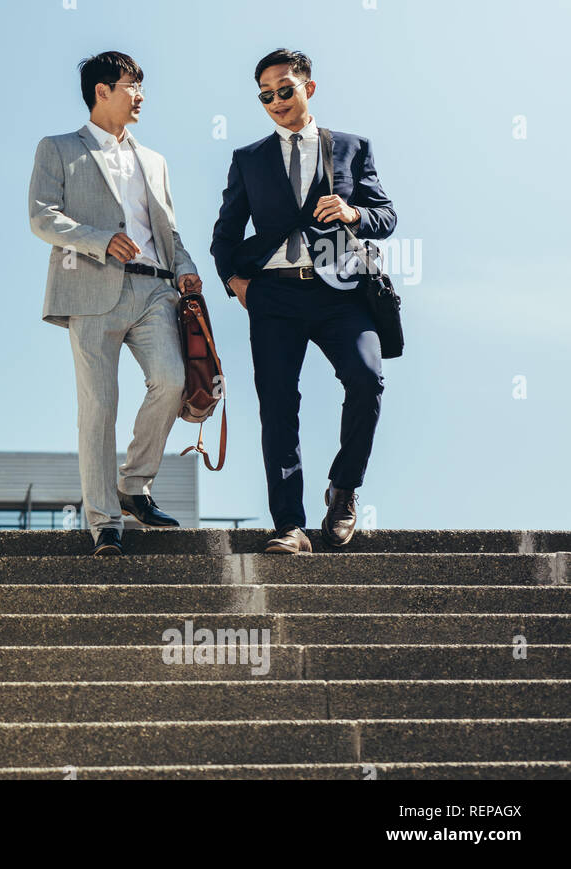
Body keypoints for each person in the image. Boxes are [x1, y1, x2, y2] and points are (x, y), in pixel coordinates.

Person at [210, 48, 397, 553]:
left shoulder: (352, 147)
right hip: (273, 293)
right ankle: (289, 525)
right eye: (265, 95)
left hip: (341, 291)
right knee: (277, 404)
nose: (275, 101)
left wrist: (354, 213)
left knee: (367, 379)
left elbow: (386, 215)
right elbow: (224, 235)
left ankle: (343, 489)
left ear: (308, 88)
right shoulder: (248, 159)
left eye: (284, 90)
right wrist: (235, 282)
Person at [29, 51, 201, 556]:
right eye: (132, 85)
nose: (140, 95)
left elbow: (168, 229)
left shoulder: (155, 160)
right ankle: (104, 520)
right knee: (99, 407)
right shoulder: (57, 148)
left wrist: (186, 267)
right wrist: (98, 239)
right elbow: (42, 218)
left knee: (171, 381)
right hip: (89, 287)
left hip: (154, 289)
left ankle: (135, 485)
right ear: (102, 91)